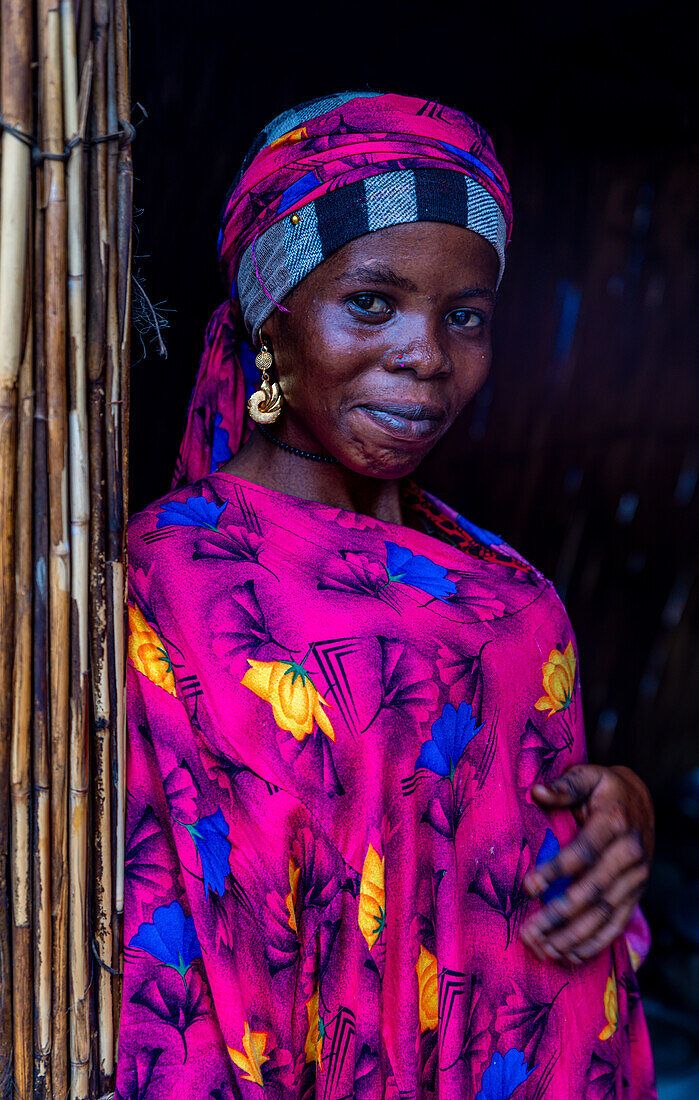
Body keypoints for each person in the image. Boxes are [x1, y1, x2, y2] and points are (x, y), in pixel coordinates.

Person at [117, 92, 656, 1099]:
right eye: (373, 302)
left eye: (466, 317)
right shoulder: (178, 583)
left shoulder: (510, 592)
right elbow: (175, 933)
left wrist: (625, 819)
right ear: (272, 318)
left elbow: (536, 863)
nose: (427, 355)